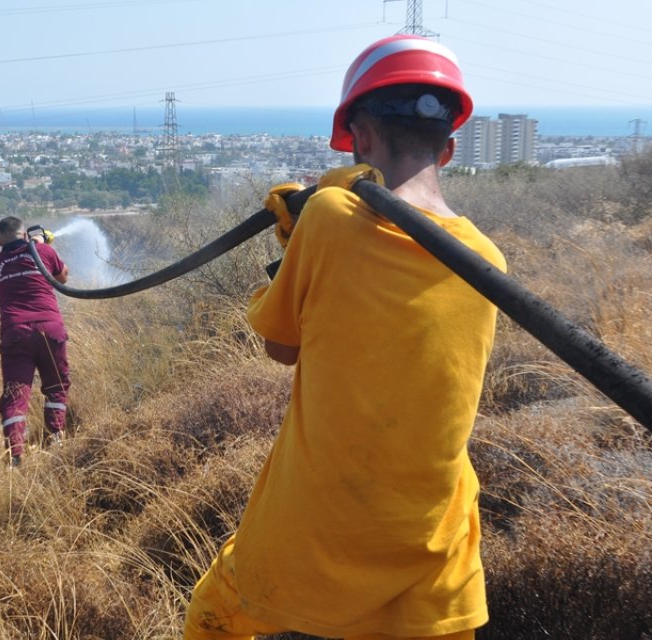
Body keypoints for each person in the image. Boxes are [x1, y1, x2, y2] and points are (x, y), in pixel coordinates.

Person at [183, 35, 507, 640]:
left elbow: (281, 348)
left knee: (214, 617)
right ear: (451, 146)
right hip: (435, 559)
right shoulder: (489, 261)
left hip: (317, 533)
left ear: (358, 136)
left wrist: (292, 250)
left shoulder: (331, 217)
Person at [0, 216, 72, 467]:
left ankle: (15, 456)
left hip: (15, 334)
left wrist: (31, 244)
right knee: (56, 386)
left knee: (15, 396)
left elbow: (13, 266)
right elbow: (63, 278)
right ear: (24, 235)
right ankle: (57, 438)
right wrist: (40, 243)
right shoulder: (43, 251)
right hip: (50, 329)